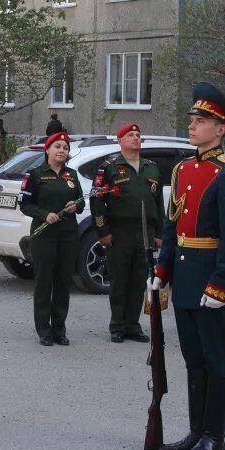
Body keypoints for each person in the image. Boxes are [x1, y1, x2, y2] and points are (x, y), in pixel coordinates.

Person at [148, 82, 225, 450]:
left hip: (211, 279)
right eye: (191, 118)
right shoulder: (184, 169)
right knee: (193, 358)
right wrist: (162, 269)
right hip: (186, 278)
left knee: (217, 359)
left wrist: (220, 285)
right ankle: (195, 431)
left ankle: (214, 437)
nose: (192, 125)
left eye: (201, 120)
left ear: (220, 129)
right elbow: (173, 227)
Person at [90, 123, 162, 343]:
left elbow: (158, 203)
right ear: (119, 140)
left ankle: (133, 325)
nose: (135, 138)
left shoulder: (151, 167)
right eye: (130, 135)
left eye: (138, 135)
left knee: (139, 281)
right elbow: (97, 200)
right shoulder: (110, 167)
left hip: (145, 233)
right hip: (119, 233)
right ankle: (117, 326)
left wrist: (159, 233)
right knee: (120, 281)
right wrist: (103, 231)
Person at [18, 131, 85, 346]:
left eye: (65, 148)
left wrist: (76, 206)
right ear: (47, 149)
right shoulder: (36, 175)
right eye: (57, 147)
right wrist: (44, 215)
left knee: (63, 283)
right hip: (44, 235)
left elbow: (81, 202)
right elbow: (25, 204)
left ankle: (59, 329)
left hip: (68, 236)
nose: (61, 151)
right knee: (44, 283)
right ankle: (44, 331)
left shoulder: (71, 175)